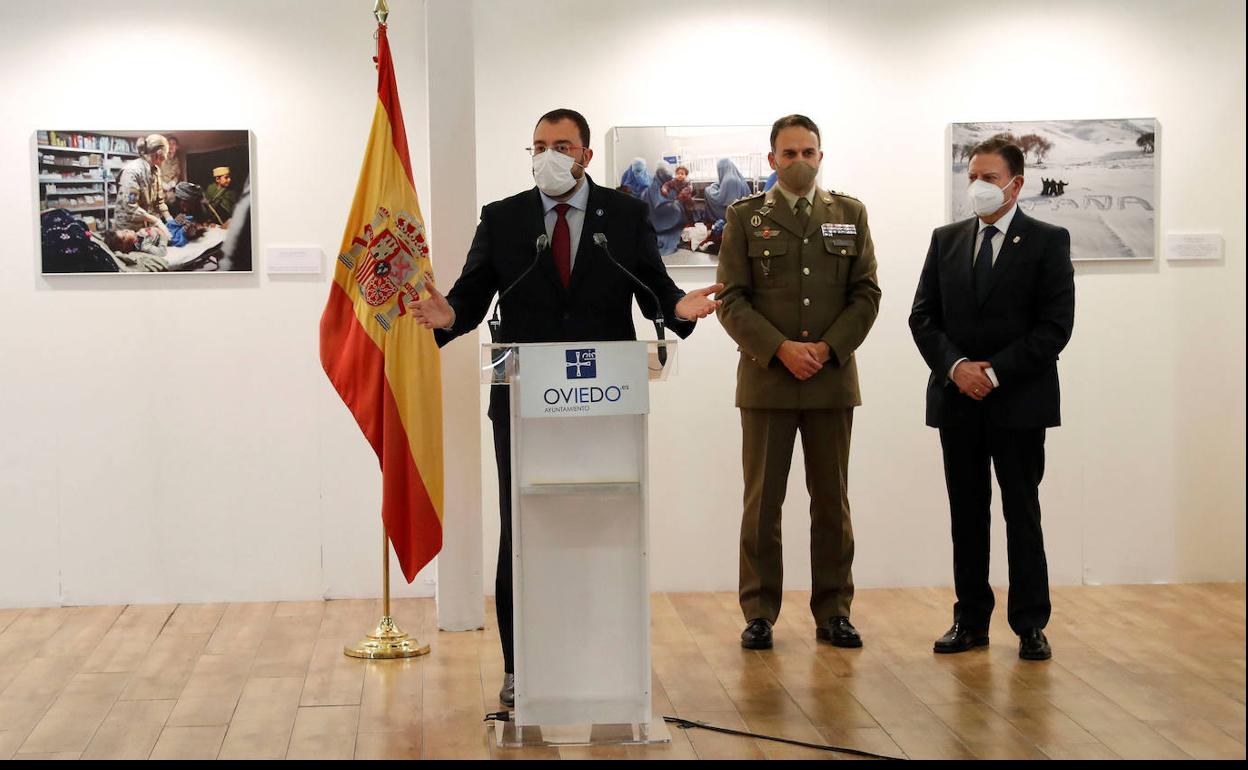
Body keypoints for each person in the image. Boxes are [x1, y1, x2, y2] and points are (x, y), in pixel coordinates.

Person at [408, 108, 722, 708]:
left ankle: (606, 658)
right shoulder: (503, 218)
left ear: (584, 155)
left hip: (606, 399)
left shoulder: (624, 215)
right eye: (537, 145)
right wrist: (450, 315)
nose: (547, 154)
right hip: (524, 399)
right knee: (522, 528)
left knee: (604, 524)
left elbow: (652, 283)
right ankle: (520, 667)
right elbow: (473, 292)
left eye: (560, 144)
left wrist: (678, 310)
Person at [716, 114, 881, 652]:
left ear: (821, 156)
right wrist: (781, 349)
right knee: (762, 503)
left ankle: (834, 611)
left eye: (809, 152)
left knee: (832, 501)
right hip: (768, 381)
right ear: (772, 160)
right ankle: (759, 612)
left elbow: (866, 294)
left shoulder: (849, 214)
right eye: (789, 153)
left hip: (831, 380)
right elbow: (731, 299)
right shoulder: (745, 217)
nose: (800, 161)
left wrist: (827, 348)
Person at [908, 136, 1075, 662]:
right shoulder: (947, 238)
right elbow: (923, 316)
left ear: (1016, 184)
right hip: (957, 400)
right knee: (967, 512)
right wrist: (957, 368)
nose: (977, 186)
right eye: (972, 176)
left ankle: (1029, 622)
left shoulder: (1048, 240)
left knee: (1021, 511)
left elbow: (1055, 327)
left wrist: (995, 373)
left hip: (1019, 402)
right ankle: (970, 619)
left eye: (988, 177)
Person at [113, 134, 172, 231]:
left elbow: (159, 201)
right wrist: (156, 221)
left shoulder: (155, 171)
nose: (166, 158)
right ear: (159, 153)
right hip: (128, 229)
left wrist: (169, 218)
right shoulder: (132, 171)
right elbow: (130, 207)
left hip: (144, 224)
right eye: (166, 154)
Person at [639, 164, 685, 255]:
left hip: (648, 223)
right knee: (678, 209)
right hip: (657, 216)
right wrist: (677, 205)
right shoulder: (654, 187)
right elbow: (659, 205)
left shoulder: (659, 184)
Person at [158, 135, 186, 205]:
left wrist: (173, 182)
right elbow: (155, 172)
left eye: (173, 144)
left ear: (177, 147)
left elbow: (178, 175)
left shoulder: (177, 161)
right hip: (160, 191)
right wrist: (162, 183)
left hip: (171, 193)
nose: (171, 146)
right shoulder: (161, 158)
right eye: (169, 144)